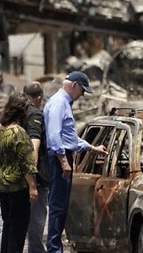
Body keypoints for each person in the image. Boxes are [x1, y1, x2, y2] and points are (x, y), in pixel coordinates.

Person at [44, 71, 108, 253]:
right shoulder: (58, 103)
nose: (81, 96)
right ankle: (54, 250)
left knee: (61, 207)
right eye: (82, 91)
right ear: (74, 86)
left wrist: (92, 148)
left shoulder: (63, 102)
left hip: (62, 157)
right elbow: (55, 136)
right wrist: (64, 161)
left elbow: (69, 137)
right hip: (59, 160)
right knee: (58, 207)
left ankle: (55, 248)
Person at [0, 93, 38, 253]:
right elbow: (27, 163)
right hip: (18, 188)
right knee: (17, 231)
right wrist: (32, 186)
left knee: (8, 227)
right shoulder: (19, 132)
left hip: (3, 187)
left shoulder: (0, 129)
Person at [23, 82, 49, 253]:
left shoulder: (16, 112)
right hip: (35, 177)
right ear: (39, 98)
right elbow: (34, 147)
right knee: (37, 220)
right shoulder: (35, 115)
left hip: (17, 176)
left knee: (13, 219)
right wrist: (33, 182)